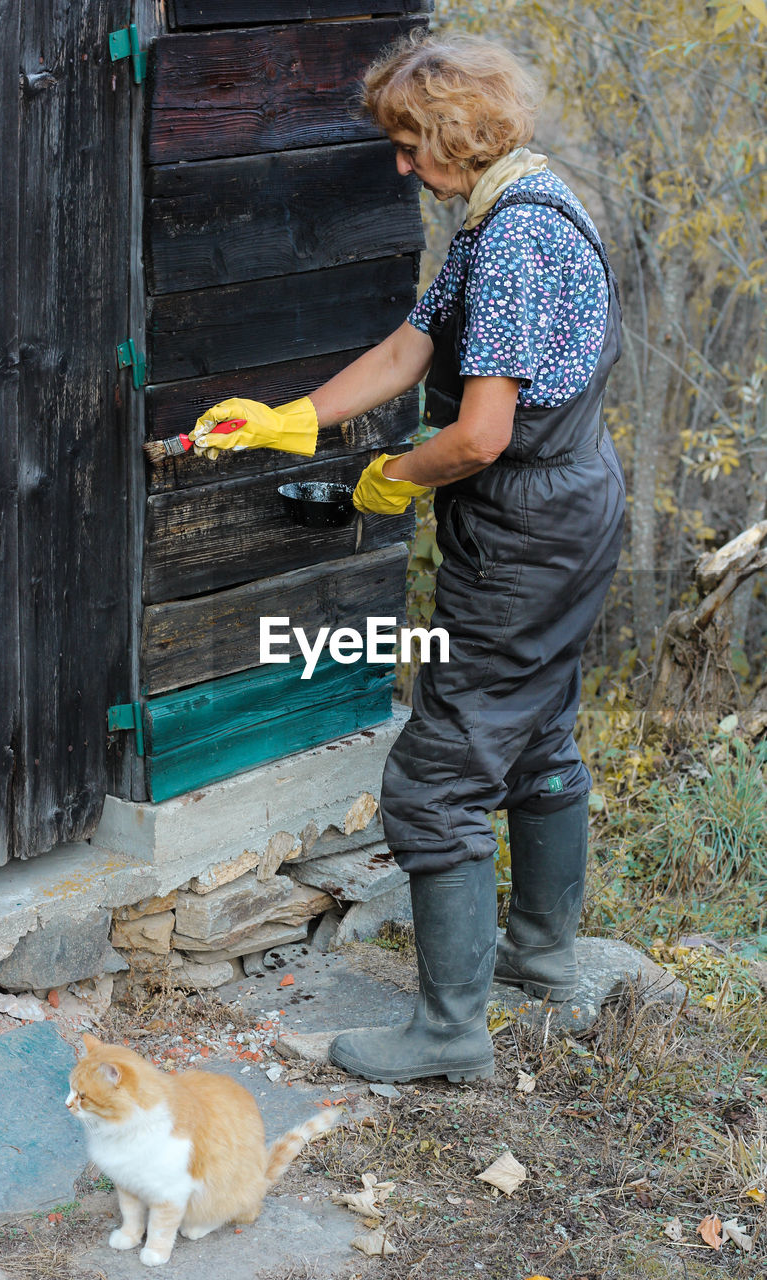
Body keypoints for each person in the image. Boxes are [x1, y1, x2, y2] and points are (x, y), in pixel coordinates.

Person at [189, 32, 625, 1085]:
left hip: (527, 528)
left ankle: (448, 1030)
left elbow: (478, 434)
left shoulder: (516, 240)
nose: (399, 166)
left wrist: (397, 476)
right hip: (563, 516)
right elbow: (410, 345)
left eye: (407, 144)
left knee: (435, 778)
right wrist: (288, 421)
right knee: (537, 731)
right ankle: (543, 962)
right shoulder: (511, 209)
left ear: (457, 134)